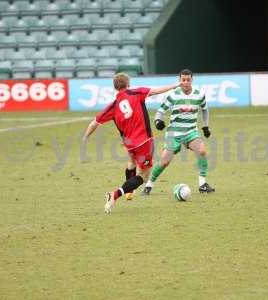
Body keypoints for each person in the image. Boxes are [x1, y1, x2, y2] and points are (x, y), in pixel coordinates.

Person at [82, 73, 180, 214]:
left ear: (115, 87)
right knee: (144, 176)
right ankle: (115, 194)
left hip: (129, 144)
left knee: (131, 162)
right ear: (128, 84)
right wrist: (175, 85)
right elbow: (156, 91)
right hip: (144, 142)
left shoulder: (113, 106)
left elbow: (94, 123)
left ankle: (129, 191)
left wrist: (85, 137)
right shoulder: (136, 92)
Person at [142, 69, 215, 195]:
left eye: (188, 80)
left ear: (192, 80)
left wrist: (206, 126)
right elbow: (160, 111)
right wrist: (158, 121)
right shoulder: (173, 95)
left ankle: (202, 184)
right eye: (183, 80)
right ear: (179, 80)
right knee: (164, 162)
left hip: (191, 132)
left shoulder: (199, 94)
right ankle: (149, 185)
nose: (185, 82)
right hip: (174, 134)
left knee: (202, 151)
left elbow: (204, 109)